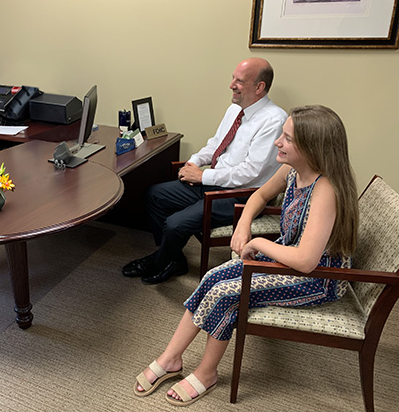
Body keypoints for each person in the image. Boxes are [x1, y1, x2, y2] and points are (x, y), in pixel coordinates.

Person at [133, 105, 359, 406]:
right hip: (288, 259)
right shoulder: (293, 170)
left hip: (318, 278)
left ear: (312, 148)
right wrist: (242, 227)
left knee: (227, 294)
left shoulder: (325, 190)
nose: (278, 142)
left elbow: (306, 261)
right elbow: (259, 196)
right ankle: (171, 358)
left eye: (288, 139)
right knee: (214, 276)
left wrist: (259, 244)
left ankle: (207, 372)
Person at [123, 57, 288, 284]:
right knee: (154, 195)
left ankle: (159, 262)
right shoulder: (235, 109)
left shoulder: (274, 119)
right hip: (214, 182)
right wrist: (193, 163)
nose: (231, 85)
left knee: (175, 223)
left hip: (243, 196)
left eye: (239, 81)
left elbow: (252, 172)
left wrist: (203, 176)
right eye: (233, 78)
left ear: (259, 87)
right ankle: (173, 259)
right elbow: (216, 143)